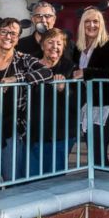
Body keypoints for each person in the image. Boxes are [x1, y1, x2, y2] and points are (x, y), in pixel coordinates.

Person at [0, 18, 51, 186]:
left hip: (12, 127)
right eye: (4, 32)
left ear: (18, 38)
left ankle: (13, 212)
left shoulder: (23, 59)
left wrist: (17, 78)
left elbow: (47, 72)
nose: (8, 36)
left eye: (13, 33)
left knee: (11, 176)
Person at [73, 7, 109, 167]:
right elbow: (73, 70)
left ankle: (106, 184)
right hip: (86, 103)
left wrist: (86, 72)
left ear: (101, 24)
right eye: (87, 21)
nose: (91, 25)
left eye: (95, 21)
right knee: (91, 149)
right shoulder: (78, 47)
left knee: (100, 149)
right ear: (82, 24)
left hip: (104, 103)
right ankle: (96, 184)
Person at [28, 28, 77, 176]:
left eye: (59, 43)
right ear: (42, 45)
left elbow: (77, 100)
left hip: (60, 132)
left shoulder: (70, 67)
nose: (55, 47)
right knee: (33, 176)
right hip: (34, 132)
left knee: (56, 177)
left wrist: (64, 90)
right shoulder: (31, 65)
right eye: (50, 42)